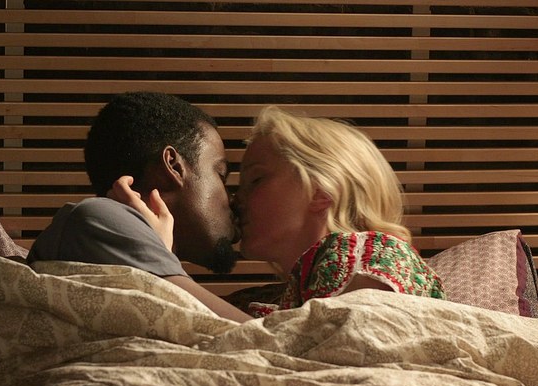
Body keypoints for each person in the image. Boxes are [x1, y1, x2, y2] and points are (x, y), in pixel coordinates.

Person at [117, 105, 446, 318]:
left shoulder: (373, 255)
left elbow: (333, 349)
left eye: (256, 180)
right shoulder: (264, 299)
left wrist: (161, 266)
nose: (236, 200)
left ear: (322, 189)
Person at [27, 91, 251, 322]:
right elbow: (252, 335)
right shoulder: (99, 217)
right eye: (220, 175)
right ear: (174, 166)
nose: (232, 200)